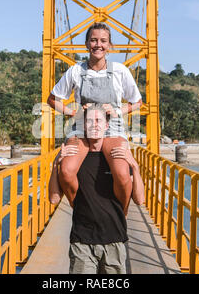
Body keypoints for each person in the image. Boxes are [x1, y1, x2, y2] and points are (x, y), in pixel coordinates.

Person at [47, 22, 143, 215]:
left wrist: (117, 111)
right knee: (66, 170)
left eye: (103, 41)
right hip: (82, 127)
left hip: (112, 128)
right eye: (93, 40)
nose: (98, 44)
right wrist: (72, 112)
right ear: (86, 44)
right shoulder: (75, 71)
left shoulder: (120, 71)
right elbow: (51, 100)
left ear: (109, 46)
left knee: (123, 173)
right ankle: (83, 210)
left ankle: (120, 214)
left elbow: (137, 102)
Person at [48, 104, 144, 274]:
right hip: (82, 241)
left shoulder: (118, 158)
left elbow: (140, 200)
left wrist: (134, 166)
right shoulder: (74, 159)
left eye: (99, 120)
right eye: (89, 121)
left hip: (114, 239)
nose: (94, 125)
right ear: (83, 126)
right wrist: (56, 164)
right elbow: (54, 199)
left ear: (107, 126)